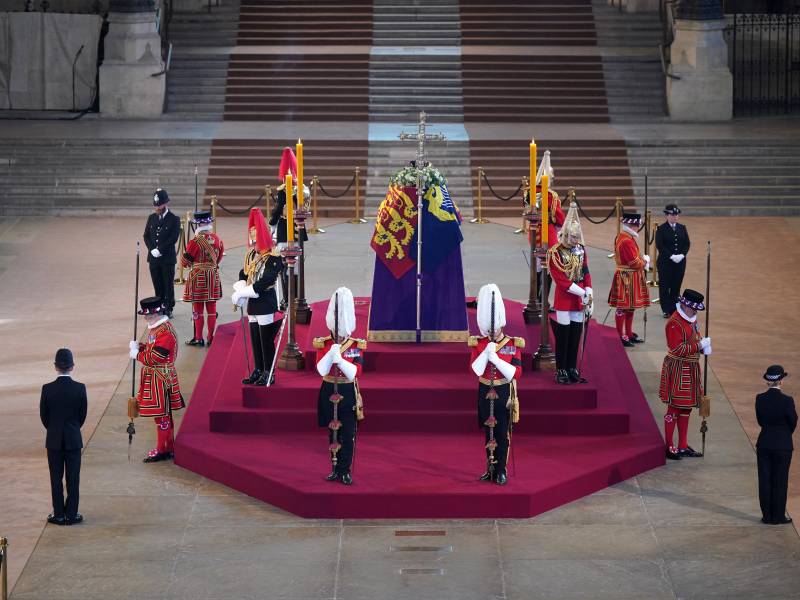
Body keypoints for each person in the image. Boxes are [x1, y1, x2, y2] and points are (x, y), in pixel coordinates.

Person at [469, 284, 523, 485]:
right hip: (484, 391)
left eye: (495, 328)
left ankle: (501, 470)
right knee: (488, 432)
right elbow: (474, 370)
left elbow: (516, 373)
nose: (492, 331)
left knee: (501, 433)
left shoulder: (512, 344)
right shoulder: (479, 343)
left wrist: (497, 360)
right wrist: (486, 353)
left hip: (503, 392)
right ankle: (490, 468)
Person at [314, 287, 366, 485]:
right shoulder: (324, 344)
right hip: (329, 390)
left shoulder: (356, 345)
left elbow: (356, 372)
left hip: (347, 391)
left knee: (348, 434)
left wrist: (341, 361)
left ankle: (345, 470)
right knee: (333, 432)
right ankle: (335, 469)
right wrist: (330, 354)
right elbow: (321, 370)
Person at [232, 208, 285, 386]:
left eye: (256, 242)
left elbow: (266, 281)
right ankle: (259, 368)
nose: (254, 245)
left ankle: (269, 372)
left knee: (266, 340)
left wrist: (243, 292)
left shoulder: (273, 257)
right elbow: (244, 272)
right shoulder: (252, 255)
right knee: (255, 339)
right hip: (253, 303)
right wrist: (240, 287)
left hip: (265, 301)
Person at [130, 297, 185, 462]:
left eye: (148, 316)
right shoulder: (157, 328)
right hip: (156, 376)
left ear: (156, 314)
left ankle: (163, 450)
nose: (146, 318)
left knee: (162, 415)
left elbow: (155, 357)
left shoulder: (165, 332)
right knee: (162, 415)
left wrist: (138, 355)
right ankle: (167, 447)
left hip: (160, 378)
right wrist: (141, 347)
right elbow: (153, 348)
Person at [658, 289, 710, 460]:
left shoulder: (691, 320)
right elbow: (678, 349)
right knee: (674, 406)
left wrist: (702, 347)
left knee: (686, 407)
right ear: (685, 306)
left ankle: (682, 445)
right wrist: (699, 346)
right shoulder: (675, 323)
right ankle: (669, 445)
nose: (696, 312)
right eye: (694, 309)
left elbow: (695, 338)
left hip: (691, 367)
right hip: (678, 368)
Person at [40, 348, 87, 526]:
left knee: (55, 478)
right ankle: (72, 514)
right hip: (73, 439)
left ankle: (59, 514)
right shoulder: (80, 388)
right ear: (72, 367)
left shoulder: (47, 389)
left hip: (53, 440)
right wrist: (73, 428)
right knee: (73, 478)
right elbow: (82, 415)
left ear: (55, 367)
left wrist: (54, 429)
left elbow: (44, 416)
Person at [548, 202, 593, 385]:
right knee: (564, 335)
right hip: (565, 297)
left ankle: (572, 366)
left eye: (577, 237)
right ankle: (561, 368)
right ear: (566, 235)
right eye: (573, 237)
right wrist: (582, 292)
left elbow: (585, 271)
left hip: (579, 297)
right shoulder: (555, 253)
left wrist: (589, 292)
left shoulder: (580, 249)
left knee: (576, 334)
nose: (576, 240)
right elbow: (561, 280)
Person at [756, 365, 796, 525]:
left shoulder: (760, 398)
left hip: (764, 442)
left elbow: (760, 421)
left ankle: (767, 515)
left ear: (768, 381)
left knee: (765, 480)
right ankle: (778, 515)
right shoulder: (787, 400)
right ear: (781, 381)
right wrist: (784, 434)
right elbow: (793, 422)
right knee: (780, 480)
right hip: (783, 444)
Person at [269, 147, 309, 308]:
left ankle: (287, 299)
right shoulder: (303, 189)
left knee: (284, 267)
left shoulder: (283, 190)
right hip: (299, 229)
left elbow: (278, 209)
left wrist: (272, 223)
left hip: (284, 230)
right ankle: (298, 297)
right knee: (297, 266)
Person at [181, 210, 224, 347]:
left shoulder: (194, 242)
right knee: (212, 309)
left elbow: (184, 262)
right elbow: (219, 258)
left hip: (198, 277)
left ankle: (198, 338)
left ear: (198, 224)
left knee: (197, 309)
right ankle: (211, 338)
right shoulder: (217, 239)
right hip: (212, 276)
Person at [608, 212, 651, 347]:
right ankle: (621, 335)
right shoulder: (627, 240)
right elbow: (634, 263)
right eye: (637, 226)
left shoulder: (624, 236)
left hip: (629, 276)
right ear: (632, 226)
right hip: (627, 278)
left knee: (630, 307)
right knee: (623, 307)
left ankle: (628, 333)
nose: (637, 228)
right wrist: (645, 261)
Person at [143, 188, 181, 317]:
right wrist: (152, 249)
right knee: (157, 284)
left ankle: (168, 307)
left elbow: (173, 238)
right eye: (155, 205)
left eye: (159, 205)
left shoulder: (174, 219)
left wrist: (160, 249)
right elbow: (146, 236)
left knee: (168, 284)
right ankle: (159, 306)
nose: (157, 208)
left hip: (167, 258)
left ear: (165, 203)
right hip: (153, 258)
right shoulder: (151, 218)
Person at [655, 204, 690, 318]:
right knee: (665, 286)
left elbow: (687, 243)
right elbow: (660, 245)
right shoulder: (661, 229)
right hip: (665, 263)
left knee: (676, 286)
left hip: (680, 263)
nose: (675, 217)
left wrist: (682, 255)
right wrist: (671, 256)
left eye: (676, 215)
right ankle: (666, 309)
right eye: (673, 215)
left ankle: (674, 308)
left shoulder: (682, 227)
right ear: (667, 215)